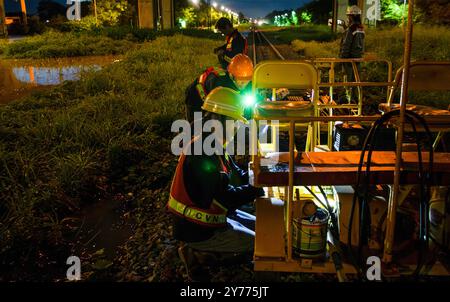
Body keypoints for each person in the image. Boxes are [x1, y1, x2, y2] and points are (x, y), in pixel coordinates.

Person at [167, 87, 265, 280]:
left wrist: (260, 174)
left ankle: (211, 248)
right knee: (261, 242)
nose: (237, 128)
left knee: (263, 227)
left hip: (213, 220)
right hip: (198, 230)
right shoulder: (202, 152)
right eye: (235, 123)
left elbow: (237, 175)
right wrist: (256, 189)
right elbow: (225, 198)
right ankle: (197, 255)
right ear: (221, 121)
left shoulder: (213, 144)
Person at [184, 54, 253, 123]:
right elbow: (218, 113)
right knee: (198, 127)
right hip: (195, 98)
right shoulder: (219, 83)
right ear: (231, 75)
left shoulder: (248, 84)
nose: (244, 84)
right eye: (240, 80)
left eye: (247, 80)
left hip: (212, 101)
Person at [339, 5, 365, 103]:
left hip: (348, 60)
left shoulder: (351, 29)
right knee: (355, 82)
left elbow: (346, 45)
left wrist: (342, 59)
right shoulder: (361, 28)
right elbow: (362, 45)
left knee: (346, 81)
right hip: (358, 59)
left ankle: (344, 102)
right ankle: (354, 101)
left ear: (350, 16)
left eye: (348, 15)